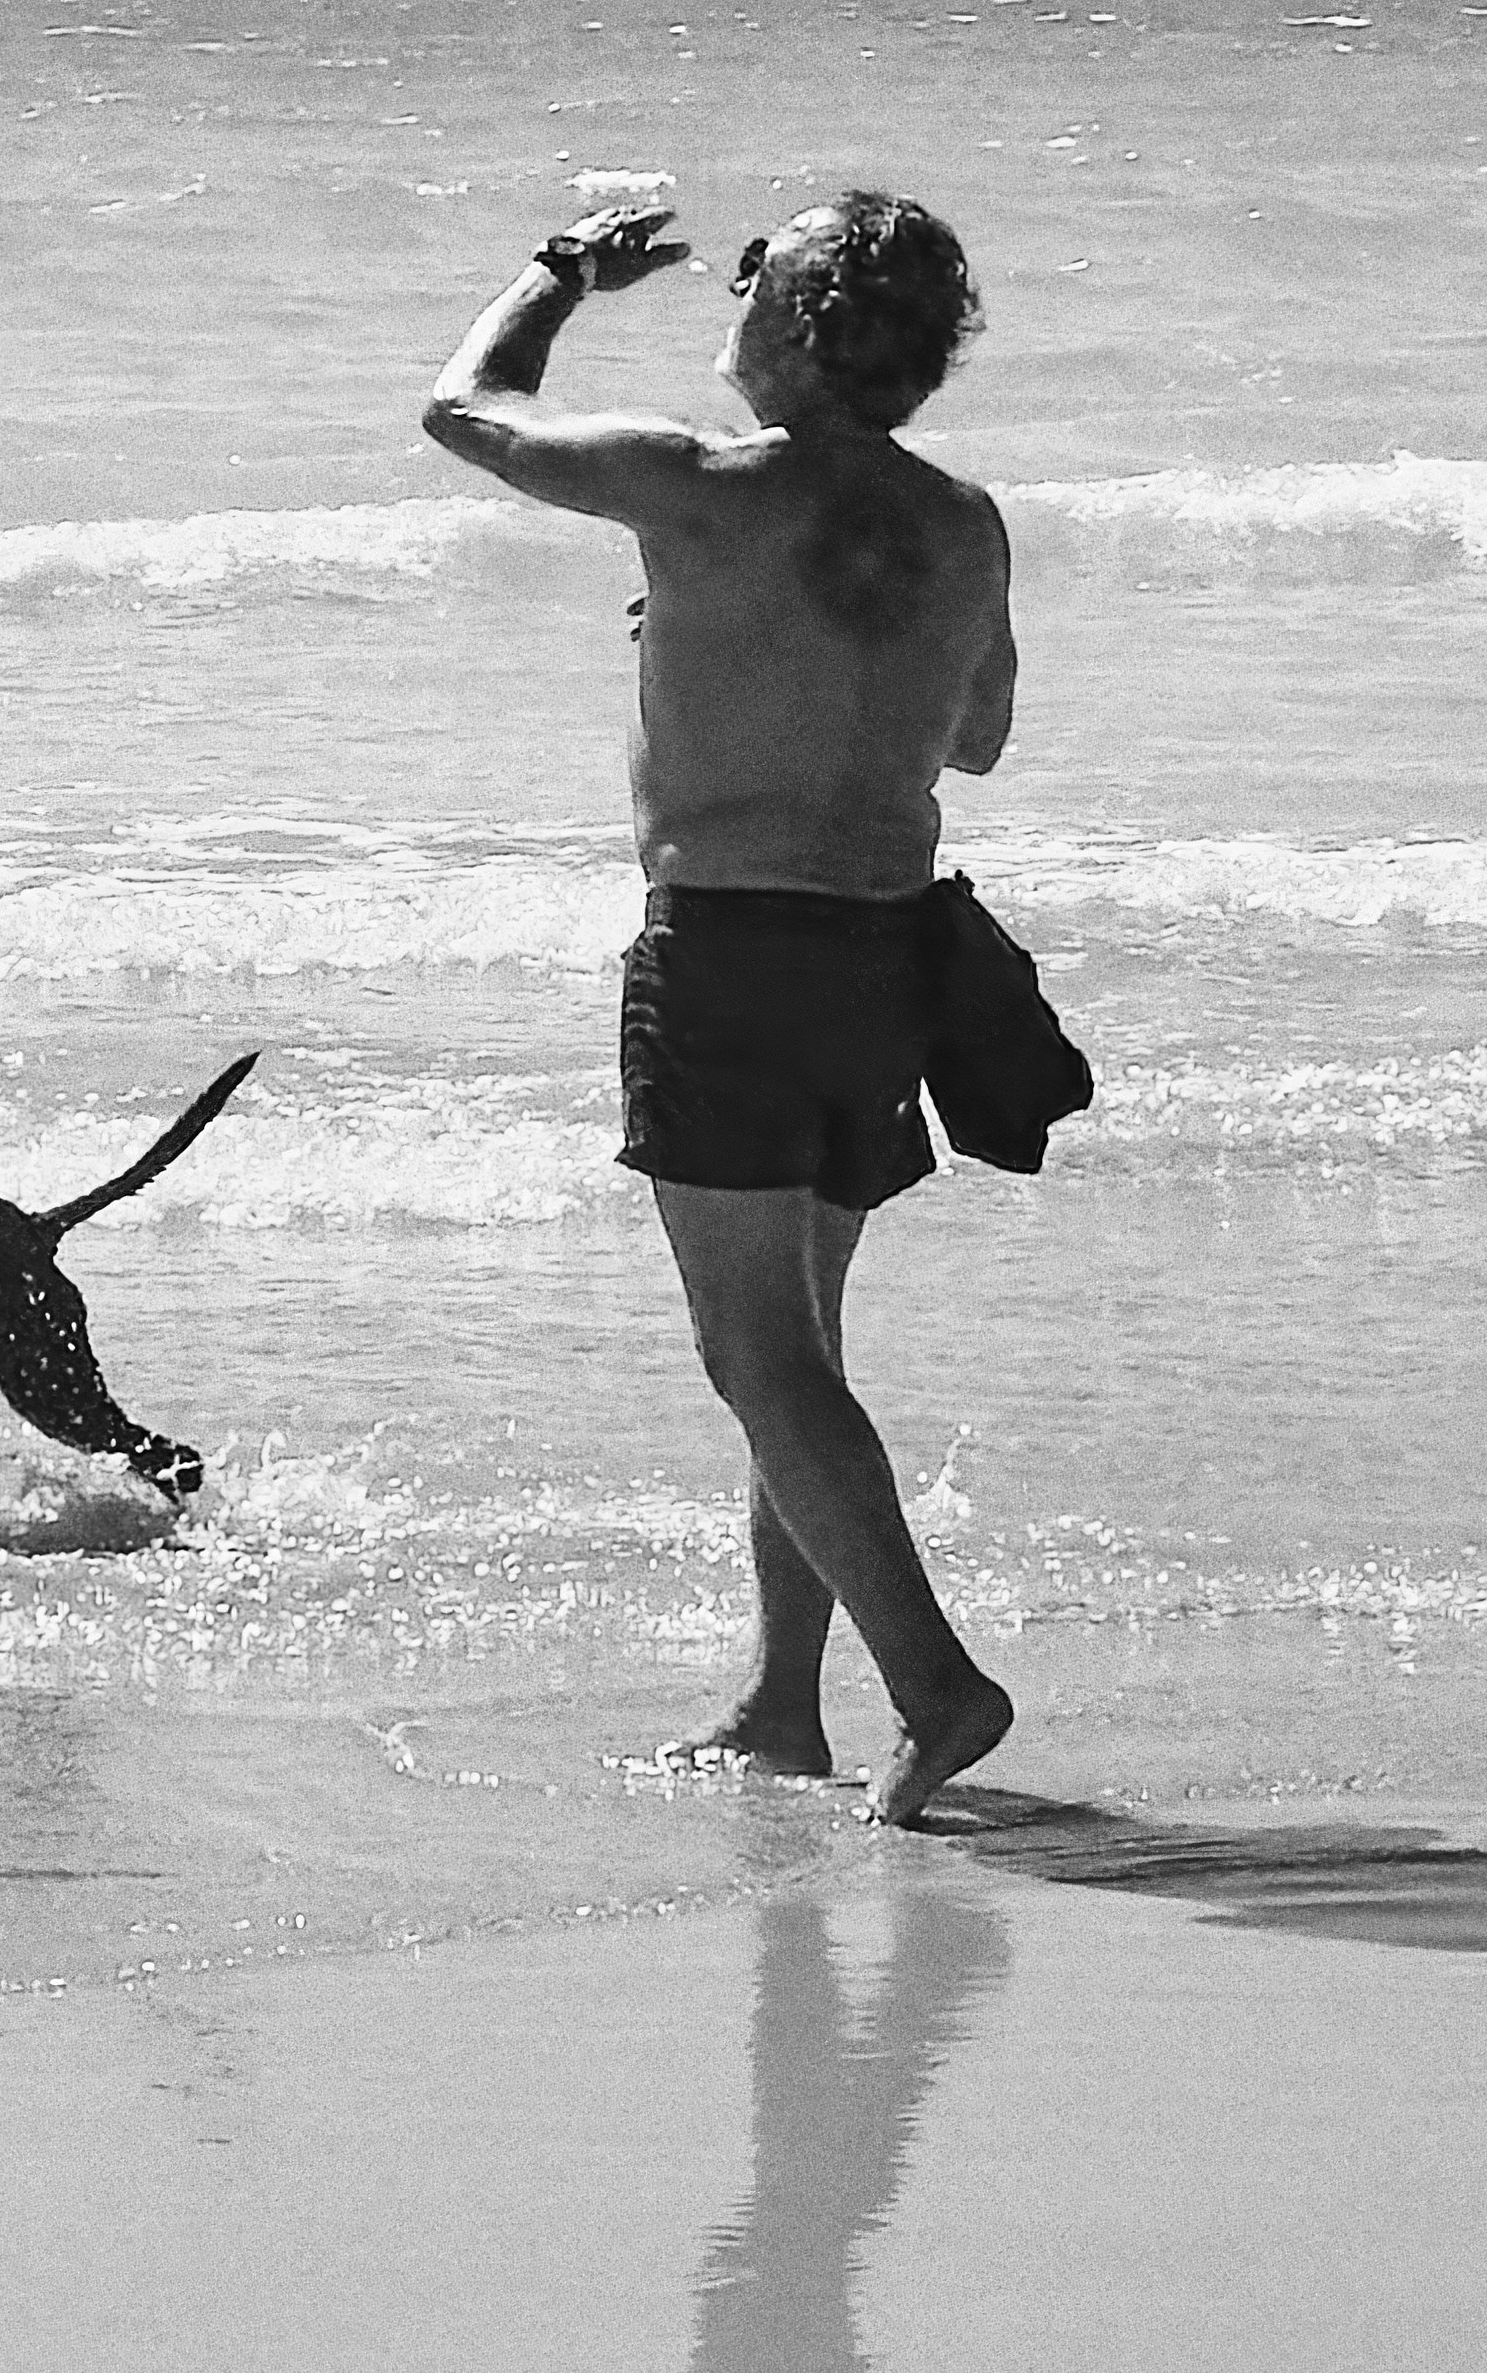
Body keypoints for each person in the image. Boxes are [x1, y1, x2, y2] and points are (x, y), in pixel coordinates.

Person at [422, 186, 1022, 1826]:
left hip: (736, 954)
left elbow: (462, 409)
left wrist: (555, 277)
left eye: (758, 270)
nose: (735, 289)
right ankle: (778, 1707)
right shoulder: (964, 522)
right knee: (805, 1350)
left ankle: (934, 1684)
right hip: (888, 953)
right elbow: (972, 739)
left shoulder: (693, 487)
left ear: (798, 317)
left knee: (757, 1358)